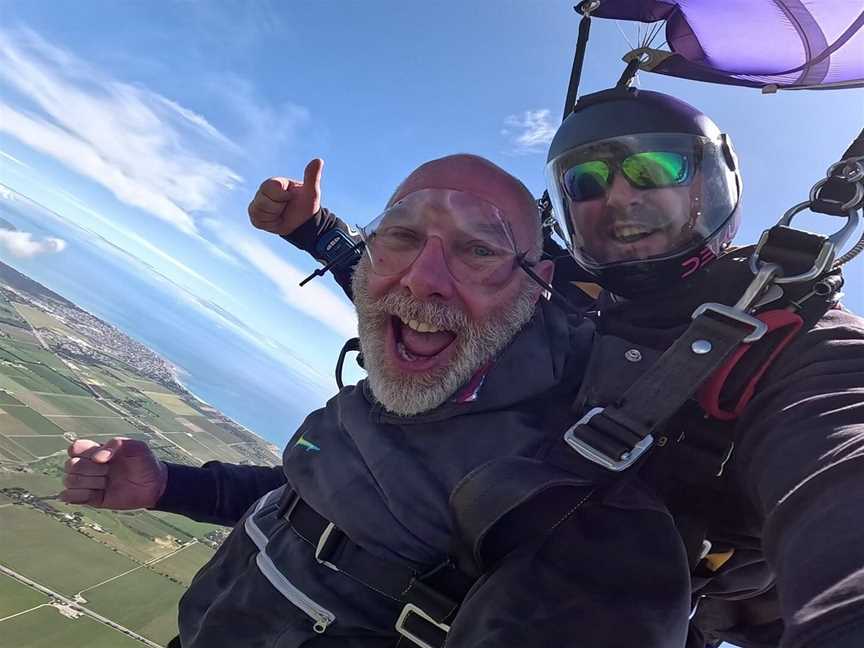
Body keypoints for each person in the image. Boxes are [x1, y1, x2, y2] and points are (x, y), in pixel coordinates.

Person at [245, 88, 864, 648]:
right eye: (587, 181)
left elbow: (843, 461)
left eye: (656, 168)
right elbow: (431, 297)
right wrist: (315, 231)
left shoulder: (796, 343)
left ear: (709, 184)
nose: (620, 195)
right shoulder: (557, 286)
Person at [63, 154, 689, 647]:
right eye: (402, 236)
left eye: (480, 250)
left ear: (536, 286)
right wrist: (167, 487)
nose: (422, 277)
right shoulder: (420, 372)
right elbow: (311, 509)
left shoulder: (559, 482)